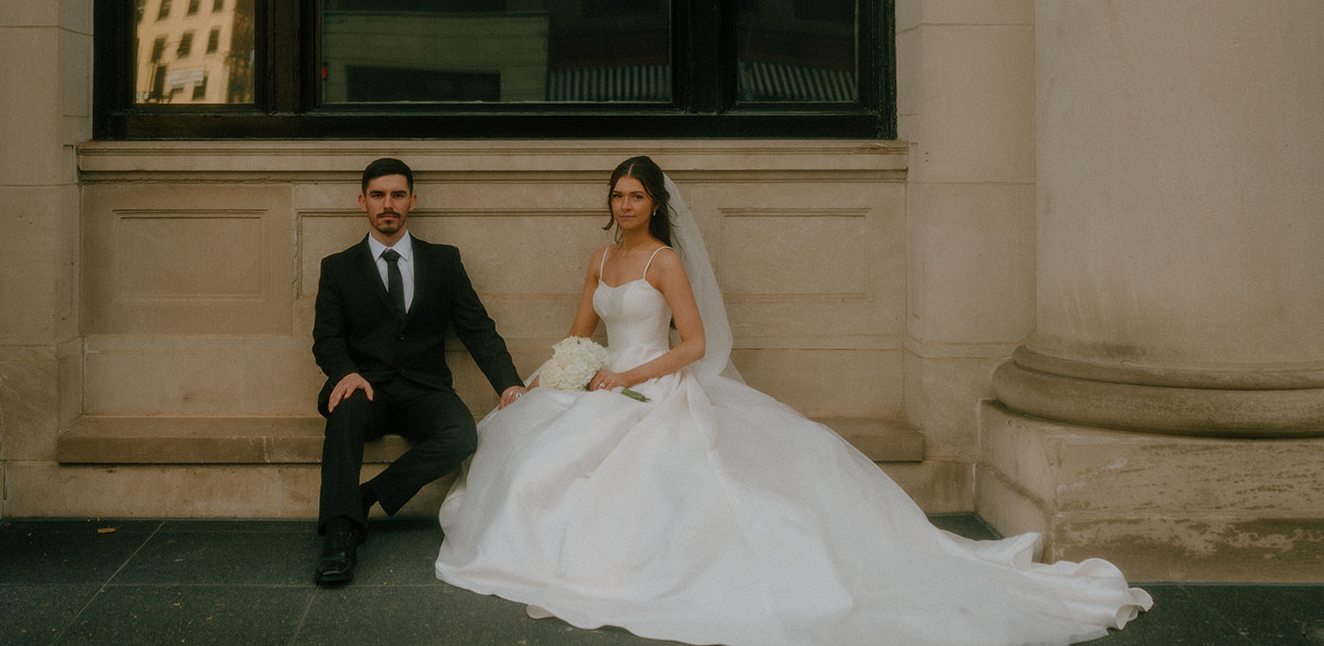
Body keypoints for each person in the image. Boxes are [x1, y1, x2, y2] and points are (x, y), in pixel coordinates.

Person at [436, 155, 1152, 646]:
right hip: (602, 379)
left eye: (636, 196)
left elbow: (694, 343)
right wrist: (559, 373)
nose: (625, 205)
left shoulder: (663, 259)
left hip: (654, 381)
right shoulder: (600, 258)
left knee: (663, 474)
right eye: (617, 195)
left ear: (654, 203)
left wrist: (626, 377)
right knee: (532, 441)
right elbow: (579, 329)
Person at [311, 157, 527, 586]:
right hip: (366, 389)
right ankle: (338, 535)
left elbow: (477, 328)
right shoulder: (337, 267)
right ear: (362, 202)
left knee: (462, 433)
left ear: (413, 200)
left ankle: (365, 497)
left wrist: (510, 384)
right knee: (345, 410)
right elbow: (327, 339)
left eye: (396, 195)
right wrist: (345, 374)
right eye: (377, 195)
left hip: (424, 390)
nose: (387, 204)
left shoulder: (443, 262)